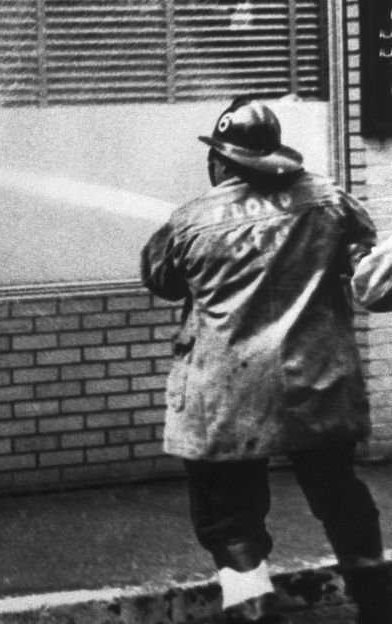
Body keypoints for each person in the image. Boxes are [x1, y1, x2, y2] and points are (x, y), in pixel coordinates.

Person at [141, 98, 392, 624]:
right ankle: (378, 607)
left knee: (228, 516)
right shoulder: (328, 199)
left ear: (221, 162)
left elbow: (161, 280)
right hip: (318, 384)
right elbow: (369, 272)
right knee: (340, 496)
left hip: (226, 394)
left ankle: (257, 612)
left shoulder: (191, 218)